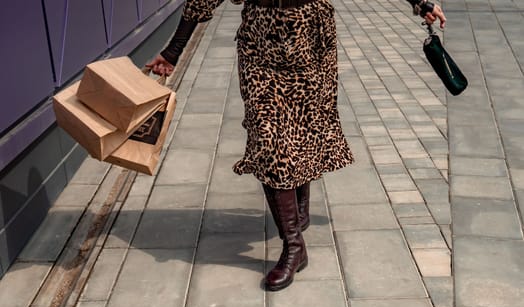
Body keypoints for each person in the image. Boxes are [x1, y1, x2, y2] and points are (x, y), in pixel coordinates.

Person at [147, 0, 446, 291]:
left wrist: (420, 3)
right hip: (260, 44)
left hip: (311, 39)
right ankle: (294, 246)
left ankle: (299, 208)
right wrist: (174, 50)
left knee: (302, 131)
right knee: (269, 145)